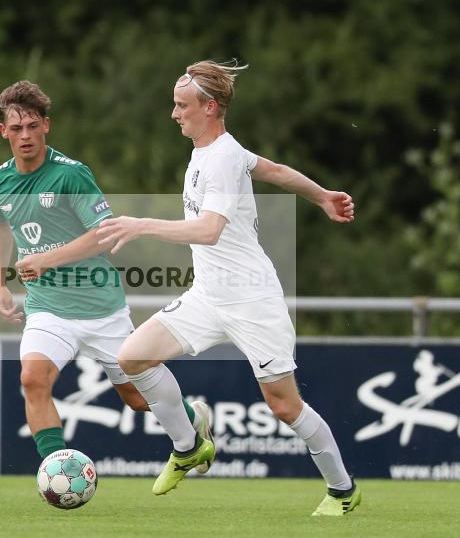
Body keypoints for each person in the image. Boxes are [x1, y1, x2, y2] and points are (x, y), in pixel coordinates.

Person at [97, 60, 361, 515]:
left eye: (182, 106)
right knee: (132, 357)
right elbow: (274, 170)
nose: (174, 114)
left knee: (284, 406)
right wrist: (322, 196)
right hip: (208, 296)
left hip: (252, 299)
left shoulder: (220, 157)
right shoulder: (216, 150)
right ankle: (189, 445)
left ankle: (343, 489)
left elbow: (208, 231)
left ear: (210, 107)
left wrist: (142, 224)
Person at [0, 81, 214, 466]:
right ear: (4, 131)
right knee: (32, 381)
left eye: (32, 126)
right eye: (16, 127)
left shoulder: (71, 175)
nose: (25, 135)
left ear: (46, 125)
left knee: (137, 399)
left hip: (100, 308)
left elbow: (105, 235)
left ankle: (193, 418)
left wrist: (47, 259)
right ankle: (58, 469)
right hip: (48, 309)